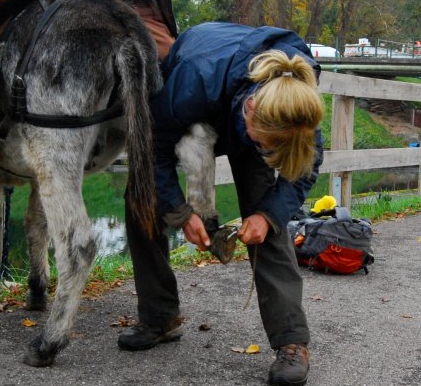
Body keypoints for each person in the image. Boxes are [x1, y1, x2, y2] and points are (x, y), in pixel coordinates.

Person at [120, 22, 325, 386]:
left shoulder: (296, 105)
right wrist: (182, 213)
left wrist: (267, 214)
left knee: (269, 220)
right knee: (142, 197)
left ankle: (292, 342)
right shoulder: (193, 81)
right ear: (251, 108)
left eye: (273, 148)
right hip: (197, 104)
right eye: (263, 143)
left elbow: (303, 170)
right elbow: (153, 147)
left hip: (239, 109)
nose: (267, 152)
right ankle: (159, 317)